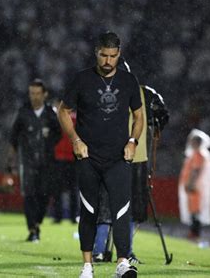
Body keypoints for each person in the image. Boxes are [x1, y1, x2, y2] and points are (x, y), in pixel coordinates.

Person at [57, 32, 143, 278]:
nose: (108, 60)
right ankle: (87, 266)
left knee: (122, 210)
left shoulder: (128, 80)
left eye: (113, 56)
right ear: (96, 52)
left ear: (119, 54)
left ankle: (123, 263)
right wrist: (75, 140)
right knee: (89, 210)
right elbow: (63, 111)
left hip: (118, 157)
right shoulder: (82, 79)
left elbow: (139, 116)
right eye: (103, 55)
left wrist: (133, 142)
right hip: (88, 157)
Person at [92, 58, 169, 264]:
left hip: (111, 160)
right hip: (134, 160)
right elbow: (163, 116)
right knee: (129, 208)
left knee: (107, 206)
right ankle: (125, 252)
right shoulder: (146, 93)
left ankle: (100, 250)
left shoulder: (101, 94)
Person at [8, 79, 62, 242]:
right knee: (29, 195)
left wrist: (49, 142)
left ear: (44, 94)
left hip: (46, 161)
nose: (35, 97)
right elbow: (13, 136)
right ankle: (32, 229)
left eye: (38, 93)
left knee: (44, 195)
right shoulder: (23, 112)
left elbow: (58, 133)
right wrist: (11, 157)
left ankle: (37, 222)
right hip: (27, 161)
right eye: (32, 93)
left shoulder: (50, 113)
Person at [178, 129, 210, 240]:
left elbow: (196, 170)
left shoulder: (199, 154)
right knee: (193, 209)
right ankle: (194, 231)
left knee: (195, 209)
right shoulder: (196, 154)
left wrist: (191, 183)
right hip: (194, 185)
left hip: (195, 186)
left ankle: (195, 232)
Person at [51, 99, 79, 224]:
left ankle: (59, 216)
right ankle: (73, 216)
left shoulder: (58, 119)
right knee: (72, 189)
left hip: (64, 158)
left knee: (60, 189)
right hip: (68, 158)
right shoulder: (74, 119)